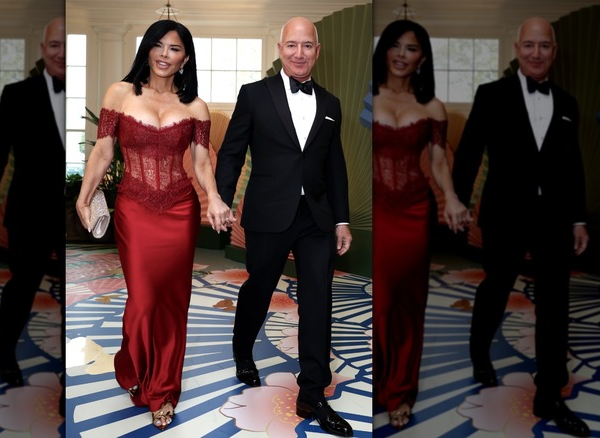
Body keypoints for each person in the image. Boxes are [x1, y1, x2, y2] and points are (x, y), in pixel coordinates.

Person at [75, 19, 232, 431]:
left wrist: (213, 197)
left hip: (180, 211)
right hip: (135, 208)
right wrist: (84, 195)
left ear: (186, 57)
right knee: (143, 302)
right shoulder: (120, 93)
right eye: (157, 45)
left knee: (172, 303)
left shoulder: (195, 106)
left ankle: (163, 390)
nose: (165, 54)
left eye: (174, 48)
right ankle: (132, 365)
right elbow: (103, 153)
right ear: (146, 49)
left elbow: (200, 162)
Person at [214, 16, 353, 437]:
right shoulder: (254, 95)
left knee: (318, 298)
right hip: (267, 215)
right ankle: (243, 349)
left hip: (316, 219)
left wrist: (342, 220)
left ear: (317, 50)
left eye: (306, 46)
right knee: (259, 287)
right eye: (291, 45)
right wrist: (220, 198)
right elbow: (232, 153)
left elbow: (335, 166)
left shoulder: (330, 104)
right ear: (279, 48)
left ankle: (312, 391)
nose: (298, 53)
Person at [452, 17, 590, 437]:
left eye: (543, 46)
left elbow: (573, 167)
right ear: (516, 47)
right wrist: (457, 201)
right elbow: (470, 152)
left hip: (554, 220)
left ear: (554, 50)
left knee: (555, 303)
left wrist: (579, 218)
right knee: (497, 287)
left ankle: (549, 393)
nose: (535, 53)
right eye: (528, 45)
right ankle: (480, 353)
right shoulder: (491, 95)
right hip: (505, 215)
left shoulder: (567, 103)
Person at [371, 20, 470, 429]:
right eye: (394, 46)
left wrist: (452, 197)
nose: (401, 54)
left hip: (414, 212)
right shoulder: (367, 96)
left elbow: (438, 160)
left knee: (409, 306)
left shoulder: (432, 107)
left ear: (422, 58)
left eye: (411, 49)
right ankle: (376, 381)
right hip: (377, 211)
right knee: (380, 302)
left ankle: (400, 391)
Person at [0, 18, 66, 390]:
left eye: (67, 46)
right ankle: (5, 356)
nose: (61, 53)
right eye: (54, 45)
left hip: (70, 212)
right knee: (22, 287)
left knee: (70, 291)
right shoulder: (17, 94)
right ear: (42, 50)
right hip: (28, 212)